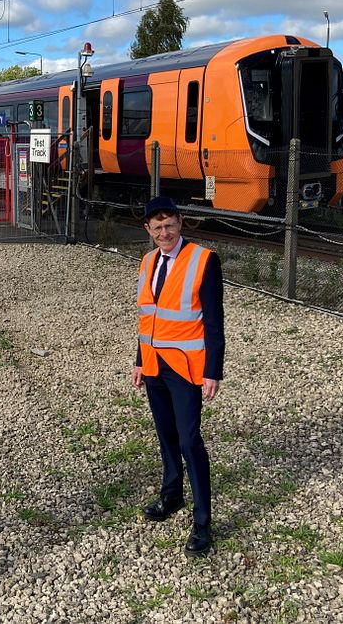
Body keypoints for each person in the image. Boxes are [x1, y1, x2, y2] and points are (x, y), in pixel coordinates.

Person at [132, 196, 225, 557]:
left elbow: (214, 320)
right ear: (148, 230)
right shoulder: (147, 261)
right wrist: (139, 359)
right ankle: (171, 494)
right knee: (166, 436)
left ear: (180, 223)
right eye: (157, 227)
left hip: (187, 367)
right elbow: (147, 316)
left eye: (169, 225)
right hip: (154, 365)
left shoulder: (203, 260)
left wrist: (212, 369)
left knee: (189, 441)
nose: (164, 232)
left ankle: (203, 522)